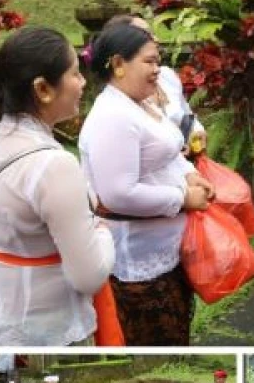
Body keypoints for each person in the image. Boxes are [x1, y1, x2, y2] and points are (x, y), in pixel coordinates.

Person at [79, 23, 215, 346]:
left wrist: (187, 173)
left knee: (178, 331)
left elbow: (168, 149)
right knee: (156, 340)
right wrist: (183, 197)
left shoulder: (141, 102)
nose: (158, 69)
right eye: (150, 62)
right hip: (138, 262)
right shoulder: (113, 116)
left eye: (159, 60)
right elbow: (118, 193)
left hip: (167, 250)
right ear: (118, 64)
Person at [0, 26, 115, 346]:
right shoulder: (53, 165)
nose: (83, 82)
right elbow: (88, 276)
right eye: (75, 73)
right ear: (43, 89)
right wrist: (102, 230)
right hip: (53, 329)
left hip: (4, 320)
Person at [103, 14, 207, 151]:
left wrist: (197, 132)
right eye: (146, 35)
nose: (156, 40)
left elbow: (186, 114)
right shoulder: (119, 104)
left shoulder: (166, 76)